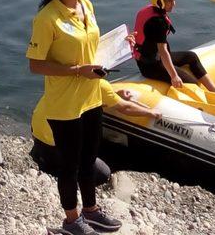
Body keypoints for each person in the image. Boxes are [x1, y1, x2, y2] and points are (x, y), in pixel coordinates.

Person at [26, 0, 120, 235]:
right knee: (69, 165)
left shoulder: (86, 6)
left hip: (91, 96)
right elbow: (35, 65)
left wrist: (118, 48)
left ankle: (90, 212)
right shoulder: (47, 18)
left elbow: (89, 47)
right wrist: (78, 71)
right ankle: (71, 221)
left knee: (89, 158)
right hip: (64, 104)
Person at [30, 79, 161, 185]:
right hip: (56, 147)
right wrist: (151, 112)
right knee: (103, 173)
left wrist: (114, 95)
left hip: (37, 133)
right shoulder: (99, 85)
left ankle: (42, 157)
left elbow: (83, 100)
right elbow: (125, 107)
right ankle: (61, 172)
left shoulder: (64, 77)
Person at [132, 0, 215, 93]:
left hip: (153, 57)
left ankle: (214, 89)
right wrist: (174, 76)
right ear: (159, 1)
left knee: (192, 56)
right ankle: (206, 99)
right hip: (151, 65)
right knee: (192, 84)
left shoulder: (149, 10)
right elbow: (163, 51)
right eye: (169, 0)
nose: (173, 4)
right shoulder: (158, 22)